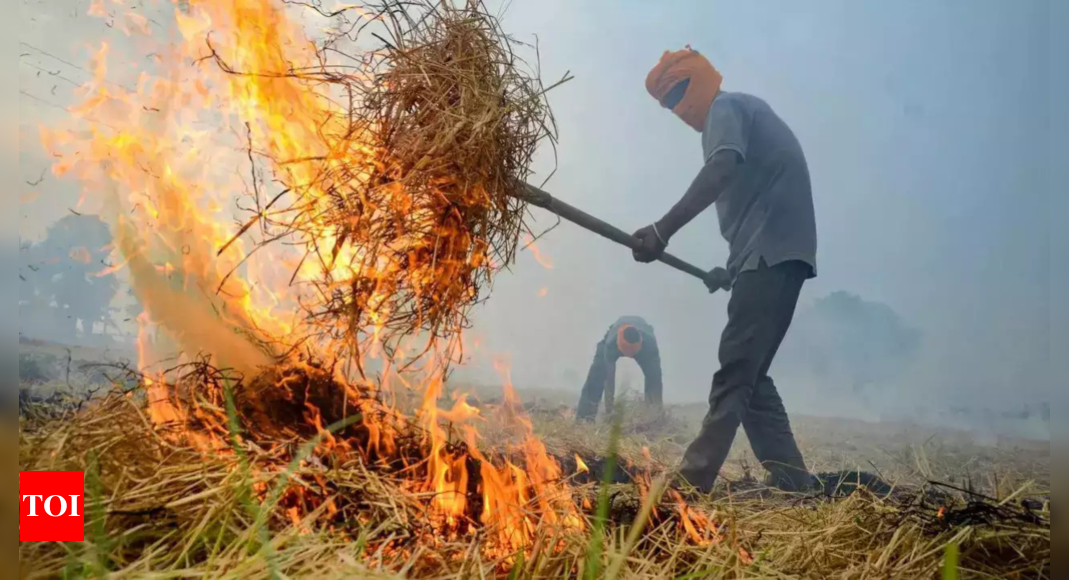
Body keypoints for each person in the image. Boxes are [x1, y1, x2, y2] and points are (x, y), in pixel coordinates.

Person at [631, 47, 817, 493]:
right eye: (668, 102)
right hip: (770, 257)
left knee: (735, 370)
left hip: (770, 255)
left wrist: (663, 229)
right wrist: (729, 272)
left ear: (700, 78)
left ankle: (692, 480)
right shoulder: (739, 111)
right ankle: (794, 482)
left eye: (679, 92)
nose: (678, 106)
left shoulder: (726, 108)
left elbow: (721, 169)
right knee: (751, 376)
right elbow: (755, 202)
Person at [575, 316, 663, 422]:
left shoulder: (649, 346)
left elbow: (656, 381)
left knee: (654, 383)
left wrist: (655, 411)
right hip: (614, 338)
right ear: (620, 346)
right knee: (597, 374)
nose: (630, 355)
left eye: (633, 352)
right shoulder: (610, 344)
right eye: (627, 351)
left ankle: (654, 421)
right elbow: (609, 380)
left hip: (644, 345)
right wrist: (609, 413)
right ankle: (584, 419)